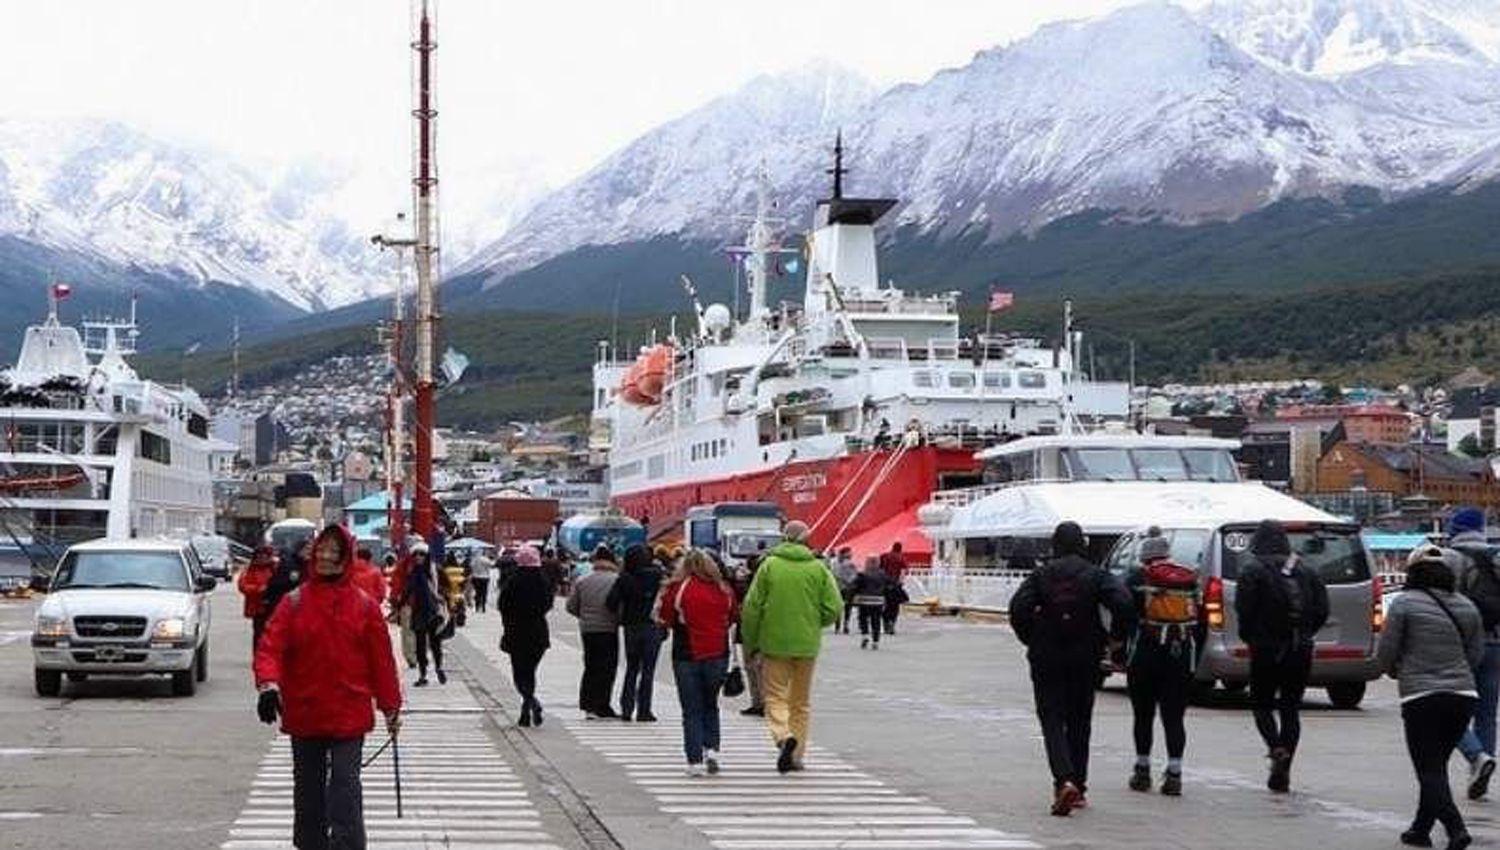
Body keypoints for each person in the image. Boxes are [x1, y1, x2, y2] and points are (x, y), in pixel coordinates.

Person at [253, 525, 401, 850]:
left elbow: (382, 663)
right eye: (322, 550)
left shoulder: (364, 606)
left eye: (334, 552)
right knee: (308, 791)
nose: (326, 557)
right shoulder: (293, 603)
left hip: (349, 713)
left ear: (345, 557)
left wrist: (391, 706)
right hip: (305, 712)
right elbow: (270, 648)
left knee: (345, 788)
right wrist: (268, 685)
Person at [1009, 521, 1135, 816]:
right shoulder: (1096, 575)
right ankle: (1078, 785)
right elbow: (1124, 603)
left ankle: (1063, 780)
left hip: (1046, 656)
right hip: (1085, 655)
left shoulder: (1041, 576)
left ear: (1055, 545)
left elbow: (1018, 608)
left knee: (1051, 718)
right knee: (1080, 719)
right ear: (1083, 545)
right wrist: (1116, 638)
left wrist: (1032, 637)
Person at [1379, 545, 1482, 850]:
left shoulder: (1403, 603)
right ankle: (1420, 829)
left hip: (1421, 696)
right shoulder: (1466, 605)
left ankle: (1456, 829)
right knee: (1436, 765)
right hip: (1463, 696)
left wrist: (1394, 671)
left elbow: (1388, 650)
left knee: (1428, 769)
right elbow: (1474, 656)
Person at [740, 521, 844, 773]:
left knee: (775, 697)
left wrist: (751, 644)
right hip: (806, 645)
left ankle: (783, 736)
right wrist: (814, 622)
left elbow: (751, 609)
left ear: (784, 538)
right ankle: (796, 757)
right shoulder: (818, 568)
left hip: (774, 644)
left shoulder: (769, 566)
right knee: (800, 702)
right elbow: (834, 607)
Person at [1234, 519, 1329, 793]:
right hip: (1300, 649)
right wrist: (1305, 633)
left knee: (1262, 704)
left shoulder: (1252, 570)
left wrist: (1251, 637)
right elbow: (1322, 610)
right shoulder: (1307, 570)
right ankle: (1285, 768)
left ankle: (1275, 747)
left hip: (1265, 649)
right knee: (1290, 707)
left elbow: (1244, 610)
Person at [1122, 527, 1200, 796]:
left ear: (1145, 557)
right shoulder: (1188, 578)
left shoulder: (1136, 576)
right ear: (1167, 554)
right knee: (1174, 717)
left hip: (1145, 653)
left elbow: (1123, 614)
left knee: (1143, 714)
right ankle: (1175, 773)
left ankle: (1142, 770)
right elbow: (1197, 622)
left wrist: (1118, 646)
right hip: (1179, 654)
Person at [656, 548, 738, 776]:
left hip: (687, 653)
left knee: (691, 710)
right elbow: (732, 618)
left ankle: (694, 761)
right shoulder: (723, 589)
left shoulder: (678, 589)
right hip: (718, 654)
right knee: (710, 704)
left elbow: (666, 617)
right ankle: (711, 749)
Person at [1445, 507, 1500, 799]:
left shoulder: (1450, 558)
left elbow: (1442, 599)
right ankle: (1483, 769)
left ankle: (1476, 756)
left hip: (1461, 644)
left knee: (1448, 709)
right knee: (1487, 714)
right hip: (1495, 643)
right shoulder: (1496, 555)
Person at [608, 543, 665, 722]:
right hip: (652, 626)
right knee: (648, 670)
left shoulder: (624, 577)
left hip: (631, 627)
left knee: (632, 668)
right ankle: (644, 710)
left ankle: (626, 708)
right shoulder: (657, 576)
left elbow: (611, 602)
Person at [499, 546, 554, 727]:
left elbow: (502, 605)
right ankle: (530, 705)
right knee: (530, 672)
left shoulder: (512, 580)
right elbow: (548, 604)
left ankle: (530, 704)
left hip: (516, 632)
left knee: (519, 674)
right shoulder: (543, 581)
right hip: (538, 632)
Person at [567, 545, 622, 719]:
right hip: (608, 629)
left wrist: (584, 616)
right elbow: (620, 606)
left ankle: (588, 705)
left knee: (590, 667)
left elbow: (571, 606)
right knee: (607, 668)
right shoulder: (616, 579)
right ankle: (602, 705)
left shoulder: (583, 580)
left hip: (588, 629)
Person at [396, 542, 451, 686]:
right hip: (419, 612)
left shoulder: (436, 570)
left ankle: (439, 667)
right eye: (416, 555)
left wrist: (443, 598)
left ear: (427, 556)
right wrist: (399, 606)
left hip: (433, 612)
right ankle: (423, 675)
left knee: (435, 643)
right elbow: (407, 591)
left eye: (422, 554)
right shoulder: (414, 572)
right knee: (420, 645)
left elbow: (447, 587)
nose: (419, 557)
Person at [735, 548, 767, 717]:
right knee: (759, 668)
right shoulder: (754, 583)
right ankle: (760, 702)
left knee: (752, 668)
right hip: (760, 631)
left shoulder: (744, 583)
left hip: (748, 631)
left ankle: (758, 702)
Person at [237, 545, 278, 649]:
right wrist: (259, 589)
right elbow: (243, 585)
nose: (263, 559)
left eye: (265, 556)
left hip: (274, 605)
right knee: (259, 633)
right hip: (257, 607)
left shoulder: (276, 568)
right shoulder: (250, 569)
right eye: (260, 556)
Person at [849, 556, 888, 650]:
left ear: (867, 563)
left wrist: (851, 597)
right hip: (878, 601)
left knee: (863, 618)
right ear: (878, 563)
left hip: (864, 600)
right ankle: (875, 641)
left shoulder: (862, 574)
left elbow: (855, 586)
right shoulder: (882, 574)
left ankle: (865, 635)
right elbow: (888, 586)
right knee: (876, 621)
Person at [879, 542, 909, 635]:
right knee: (895, 606)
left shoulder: (885, 556)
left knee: (886, 605)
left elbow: (880, 569)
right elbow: (903, 571)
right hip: (895, 585)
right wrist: (901, 582)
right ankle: (892, 623)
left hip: (885, 584)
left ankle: (885, 623)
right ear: (900, 549)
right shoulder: (901, 557)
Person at [831, 548, 858, 634]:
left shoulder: (851, 564)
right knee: (838, 606)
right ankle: (837, 625)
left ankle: (846, 624)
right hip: (837, 587)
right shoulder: (833, 562)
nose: (851, 555)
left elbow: (854, 575)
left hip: (847, 588)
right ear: (844, 554)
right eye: (849, 553)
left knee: (847, 606)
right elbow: (832, 573)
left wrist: (849, 581)